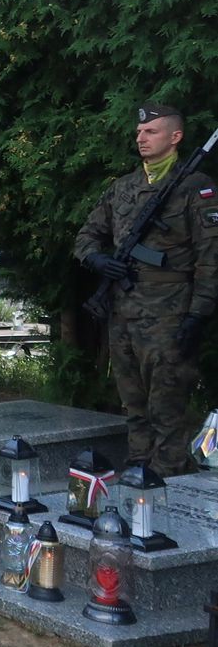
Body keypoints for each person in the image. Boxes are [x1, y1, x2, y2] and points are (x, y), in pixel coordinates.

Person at [75, 103, 218, 475]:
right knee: (133, 402)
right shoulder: (123, 188)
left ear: (176, 137)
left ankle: (170, 476)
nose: (141, 138)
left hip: (170, 312)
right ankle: (138, 470)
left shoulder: (195, 187)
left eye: (151, 132)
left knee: (167, 402)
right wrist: (97, 260)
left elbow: (211, 257)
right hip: (123, 311)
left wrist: (198, 315)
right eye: (139, 132)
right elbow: (87, 236)